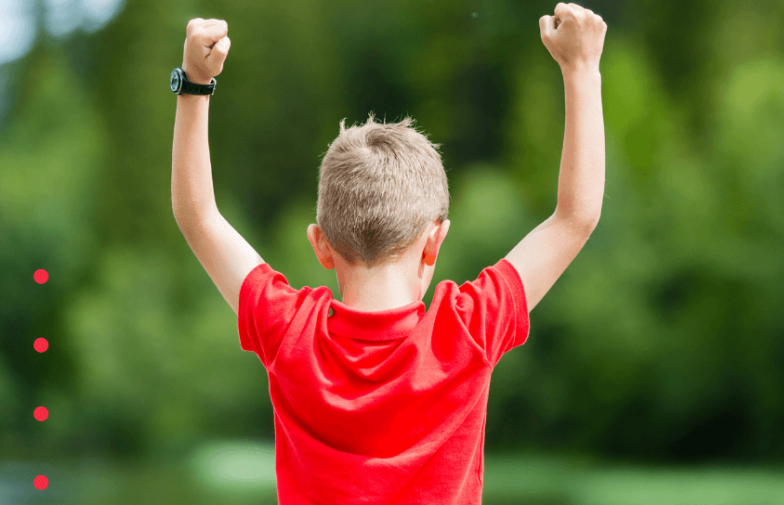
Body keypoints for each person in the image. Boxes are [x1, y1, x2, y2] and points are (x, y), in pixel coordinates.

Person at [170, 3, 606, 503]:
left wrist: (195, 83)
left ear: (321, 245)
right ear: (434, 243)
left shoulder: (290, 332)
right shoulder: (466, 331)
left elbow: (198, 216)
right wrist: (581, 67)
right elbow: (576, 216)